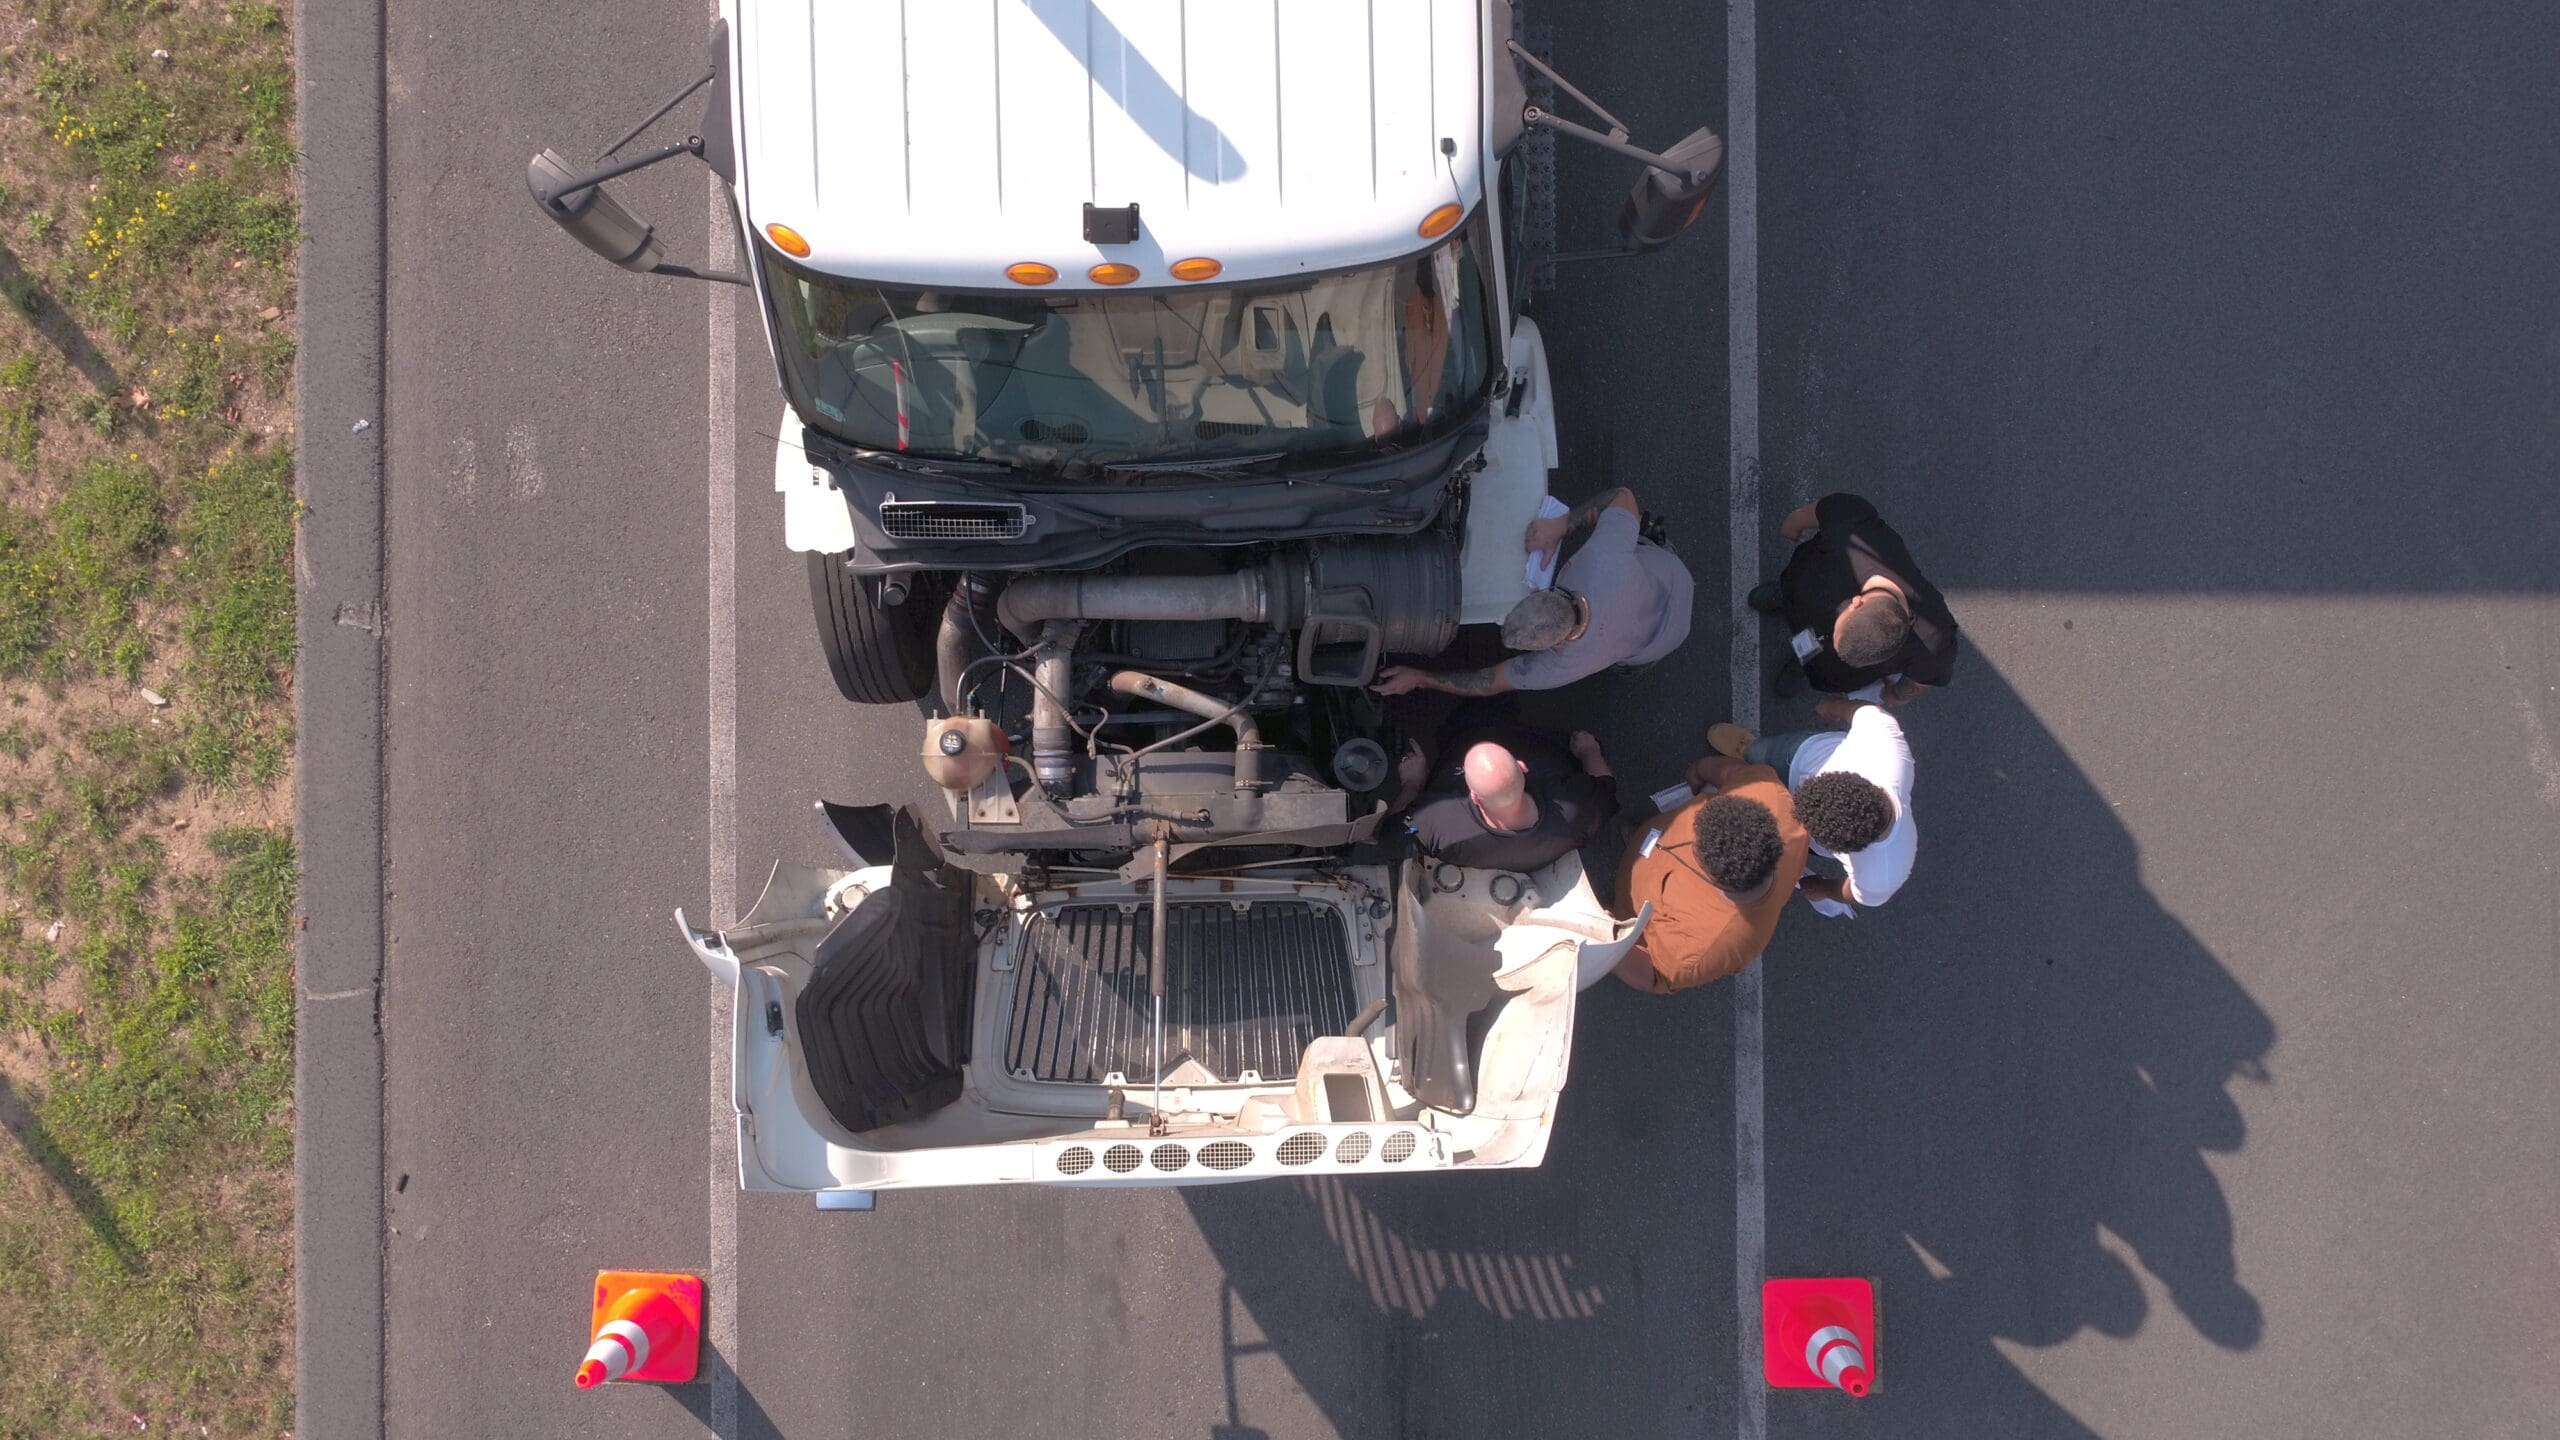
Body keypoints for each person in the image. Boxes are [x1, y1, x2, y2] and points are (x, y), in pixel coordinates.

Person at [1373, 484, 1694, 697]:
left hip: (1658, 641)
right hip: (1671, 582)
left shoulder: (1561, 666)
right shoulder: (1605, 559)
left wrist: (1421, 677)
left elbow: (1489, 682)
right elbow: (1623, 498)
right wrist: (1560, 526)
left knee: (1625, 665)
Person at [1609, 755, 1810, 993]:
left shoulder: (1706, 950)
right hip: (1645, 846)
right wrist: (1699, 770)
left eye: (1692, 847)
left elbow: (1652, 976)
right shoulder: (1769, 796)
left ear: (1713, 877)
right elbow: (1729, 772)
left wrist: (1605, 939)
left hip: (1624, 916)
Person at [1706, 697, 1916, 910]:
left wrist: (1824, 888)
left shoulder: (1884, 874)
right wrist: (1834, 707)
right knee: (1759, 751)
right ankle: (1748, 748)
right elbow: (1868, 711)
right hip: (1795, 756)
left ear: (1839, 846)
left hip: (1802, 770)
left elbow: (1856, 892)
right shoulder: (1886, 749)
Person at [1750, 492, 1959, 703]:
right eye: (1836, 636)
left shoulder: (1934, 642)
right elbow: (1823, 510)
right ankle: (1784, 598)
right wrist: (1794, 523)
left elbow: (1916, 682)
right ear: (1857, 602)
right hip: (1806, 588)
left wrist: (1895, 695)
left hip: (1830, 663)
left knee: (1821, 660)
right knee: (1795, 595)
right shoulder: (1854, 533)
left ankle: (1803, 664)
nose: (1829, 638)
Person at [1395, 715, 1619, 873]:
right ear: (1522, 766)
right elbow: (1606, 789)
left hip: (1461, 737)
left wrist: (1413, 783)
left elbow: (1394, 832)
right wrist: (1588, 750)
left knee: (1463, 722)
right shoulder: (1575, 809)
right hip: (1532, 742)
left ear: (1473, 795)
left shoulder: (1436, 824)